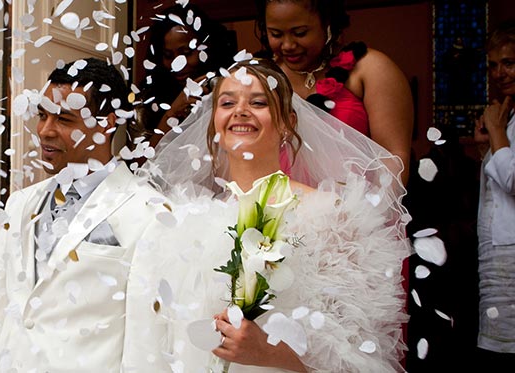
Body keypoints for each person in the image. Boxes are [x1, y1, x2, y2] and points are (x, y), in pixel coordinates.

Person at [140, 59, 409, 371]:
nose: (240, 110)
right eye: (227, 102)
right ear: (215, 120)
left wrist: (268, 352)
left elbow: (361, 352)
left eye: (258, 102)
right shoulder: (190, 221)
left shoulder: (327, 215)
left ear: (286, 121)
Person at [0, 58, 175, 371]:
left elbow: (147, 338)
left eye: (64, 120)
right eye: (42, 115)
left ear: (107, 123)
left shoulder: (151, 212)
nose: (45, 131)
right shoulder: (20, 203)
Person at [255, 0, 413, 184]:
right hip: (281, 204)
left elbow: (393, 157)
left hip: (356, 204)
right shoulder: (261, 75)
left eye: (300, 33)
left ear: (327, 24)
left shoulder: (370, 69)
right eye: (276, 34)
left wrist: (369, 211)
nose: (288, 45)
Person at [473, 20, 515, 362]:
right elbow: (496, 193)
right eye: (493, 65)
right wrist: (484, 150)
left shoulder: (504, 119)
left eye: (509, 63)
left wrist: (498, 131)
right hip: (495, 252)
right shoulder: (509, 113)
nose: (499, 73)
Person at [138, 3, 236, 149]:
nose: (177, 64)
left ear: (206, 48)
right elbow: (138, 166)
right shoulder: (147, 100)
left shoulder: (230, 90)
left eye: (186, 53)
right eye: (168, 56)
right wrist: (172, 112)